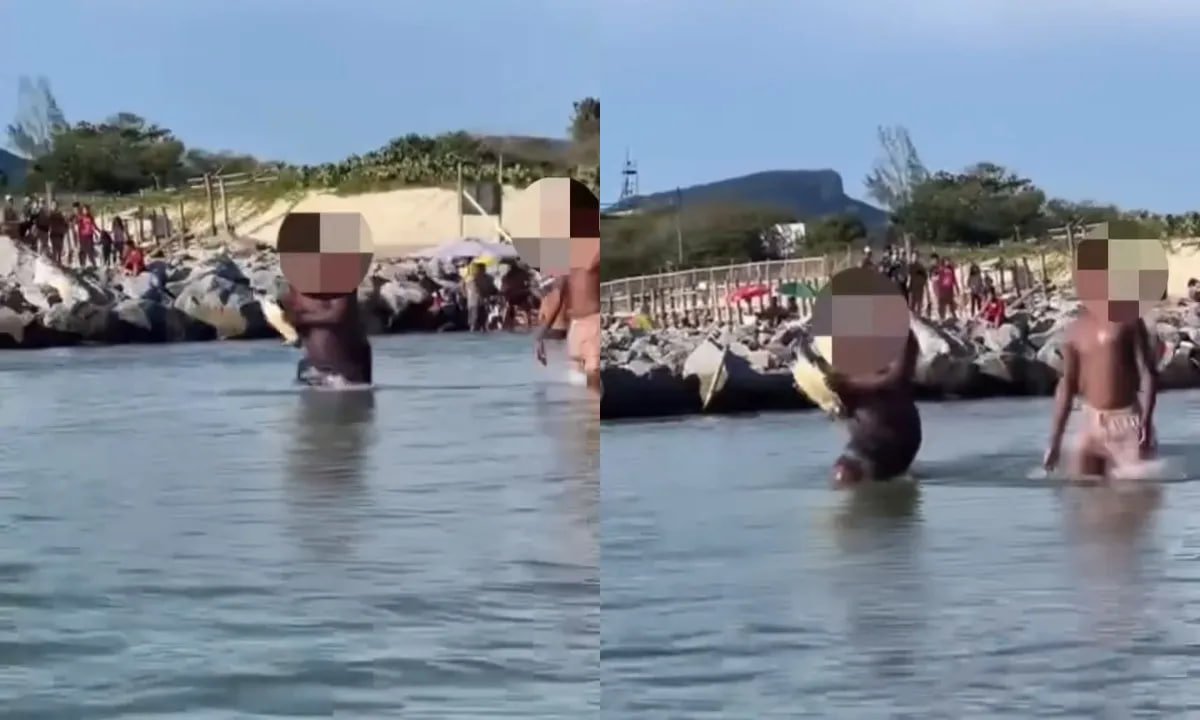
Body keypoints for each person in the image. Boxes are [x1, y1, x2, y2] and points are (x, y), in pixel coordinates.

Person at [1043, 271, 1159, 481]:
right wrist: (1055, 440)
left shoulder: (1128, 320)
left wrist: (1146, 421)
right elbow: (1067, 385)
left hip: (1127, 420)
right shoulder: (1075, 330)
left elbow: (1148, 372)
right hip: (1091, 421)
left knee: (1135, 496)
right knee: (1080, 495)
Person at [827, 330, 922, 485]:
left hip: (890, 434)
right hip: (866, 434)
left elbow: (896, 378)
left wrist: (848, 385)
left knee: (844, 475)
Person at [536, 240, 601, 394]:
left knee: (592, 373)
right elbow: (557, 300)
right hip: (577, 326)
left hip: (591, 322)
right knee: (579, 377)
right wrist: (541, 335)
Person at [282, 284, 373, 387]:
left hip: (342, 367)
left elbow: (337, 314)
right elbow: (291, 312)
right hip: (312, 367)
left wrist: (300, 319)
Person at [931, 253, 959, 320]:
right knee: (942, 305)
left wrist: (957, 287)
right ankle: (942, 318)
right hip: (942, 290)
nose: (948, 262)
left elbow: (954, 278)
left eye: (949, 261)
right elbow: (934, 276)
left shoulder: (951, 269)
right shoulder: (940, 268)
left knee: (951, 304)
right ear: (944, 261)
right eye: (946, 261)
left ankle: (954, 317)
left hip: (949, 289)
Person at [907, 251, 928, 315]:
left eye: (916, 257)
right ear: (911, 257)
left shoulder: (921, 267)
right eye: (913, 256)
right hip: (912, 287)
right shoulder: (909, 266)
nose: (914, 258)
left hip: (919, 287)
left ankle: (918, 316)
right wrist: (908, 282)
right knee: (911, 303)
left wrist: (923, 284)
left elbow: (925, 276)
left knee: (919, 303)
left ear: (918, 257)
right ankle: (912, 316)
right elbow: (908, 275)